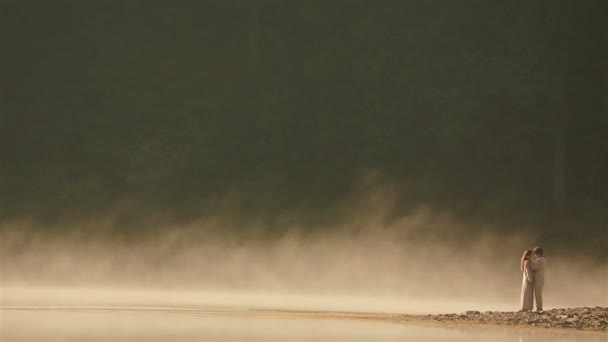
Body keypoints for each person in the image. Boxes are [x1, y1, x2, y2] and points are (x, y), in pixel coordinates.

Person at [530, 246, 546, 311]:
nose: (534, 255)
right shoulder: (540, 259)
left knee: (538, 293)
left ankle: (539, 307)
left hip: (539, 279)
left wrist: (530, 262)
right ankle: (539, 307)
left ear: (538, 253)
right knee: (538, 293)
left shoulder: (541, 260)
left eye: (535, 254)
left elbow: (534, 267)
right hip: (539, 278)